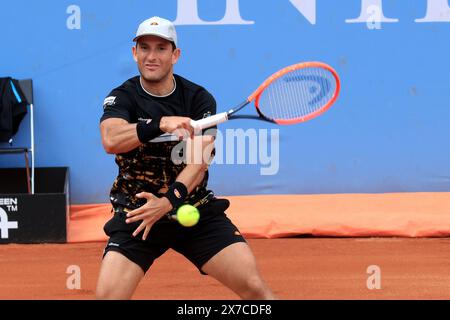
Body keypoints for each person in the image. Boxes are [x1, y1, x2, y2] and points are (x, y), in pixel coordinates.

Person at [96, 16, 276, 300]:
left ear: (175, 55)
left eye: (161, 48)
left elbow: (198, 162)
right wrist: (159, 123)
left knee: (255, 289)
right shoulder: (123, 97)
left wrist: (168, 202)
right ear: (135, 53)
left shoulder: (199, 99)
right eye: (144, 48)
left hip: (192, 209)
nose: (151, 56)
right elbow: (111, 139)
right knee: (108, 297)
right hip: (139, 212)